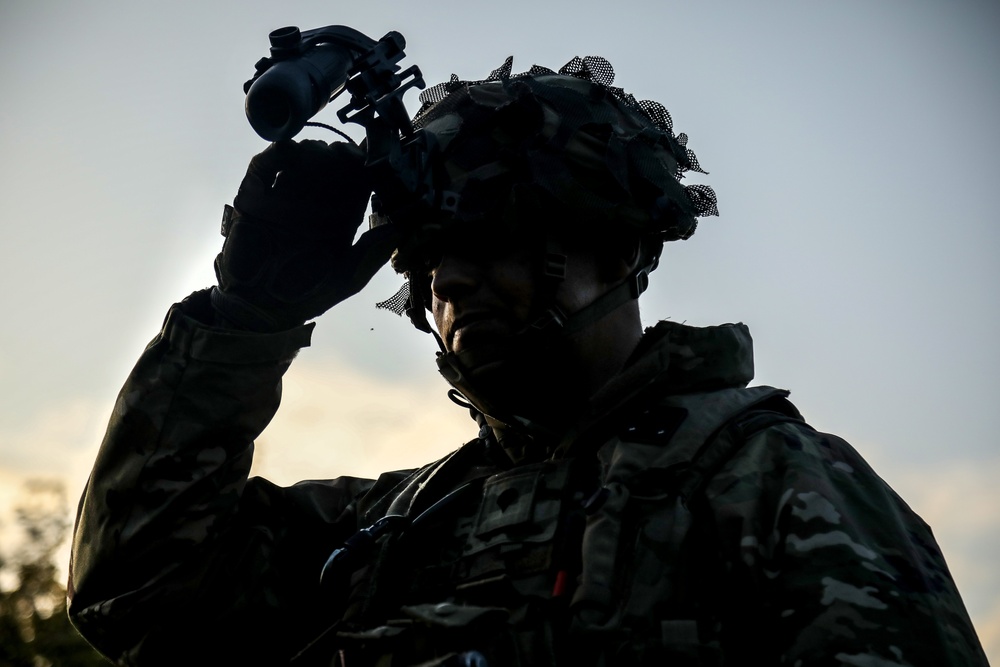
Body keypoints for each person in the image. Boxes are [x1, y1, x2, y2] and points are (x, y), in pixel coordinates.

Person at [67, 55, 988, 666]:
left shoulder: (769, 480)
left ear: (623, 251)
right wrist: (244, 318)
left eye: (498, 237)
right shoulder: (394, 525)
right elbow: (134, 593)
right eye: (427, 254)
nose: (454, 277)